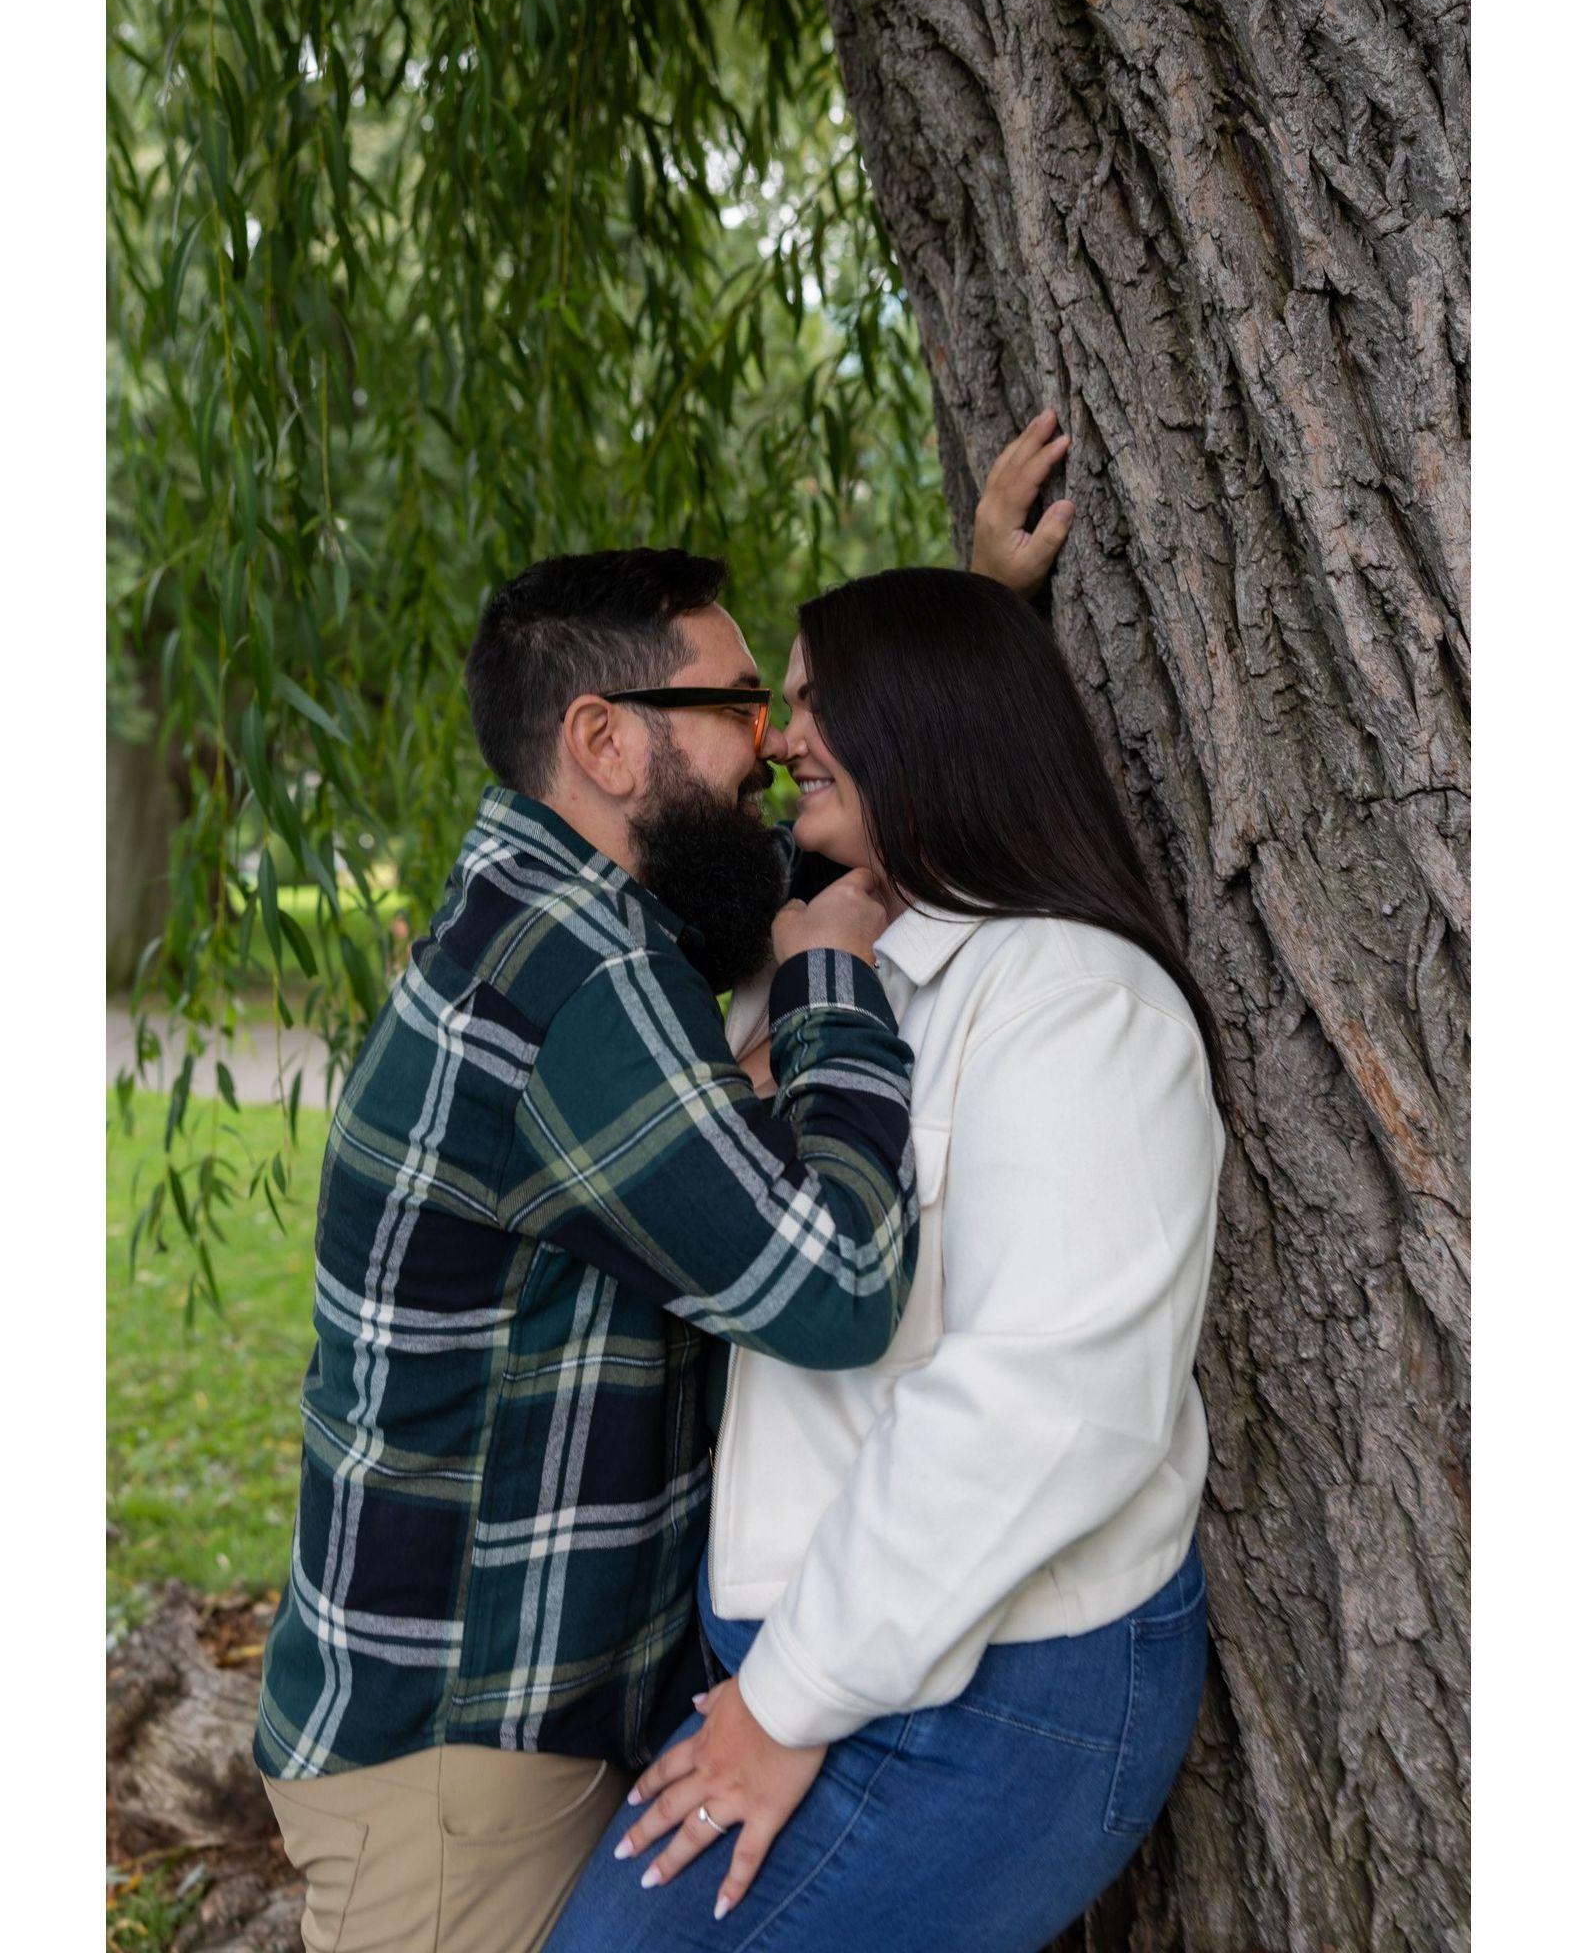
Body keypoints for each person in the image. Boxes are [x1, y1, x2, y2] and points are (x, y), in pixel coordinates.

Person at [254, 425, 1073, 1953]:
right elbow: (836, 1288)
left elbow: (828, 850)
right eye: (743, 707)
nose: (774, 746)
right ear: (608, 741)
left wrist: (965, 629)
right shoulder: (573, 987)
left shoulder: (570, 913)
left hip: (509, 1730)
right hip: (455, 1771)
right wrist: (831, 992)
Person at [547, 558, 1227, 1953]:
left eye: (817, 702)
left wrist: (783, 1703)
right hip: (830, 1655)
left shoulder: (1076, 1008)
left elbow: (1047, 1406)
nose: (782, 740)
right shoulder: (832, 953)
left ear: (925, 715)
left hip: (996, 1691)